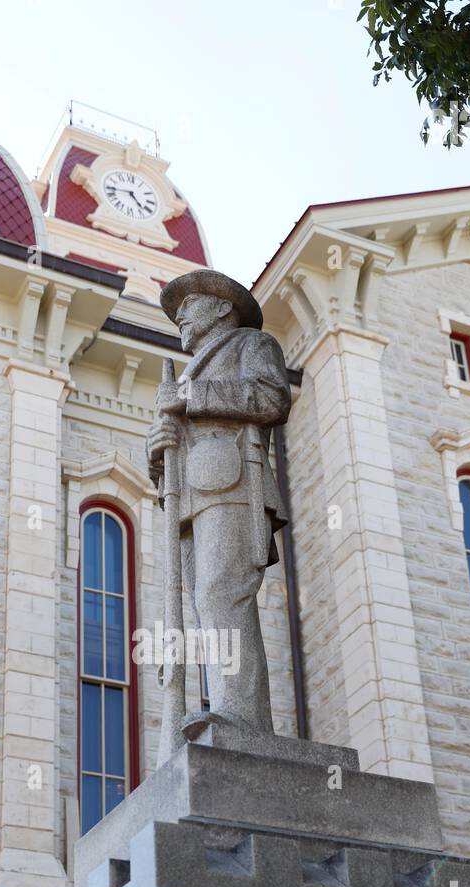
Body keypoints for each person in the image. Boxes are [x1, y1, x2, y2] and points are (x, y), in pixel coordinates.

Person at [146, 270, 291, 735]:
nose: (181, 316)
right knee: (204, 603)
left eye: (189, 304)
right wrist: (158, 447)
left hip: (233, 482)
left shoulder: (251, 344)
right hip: (191, 496)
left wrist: (191, 398)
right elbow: (173, 448)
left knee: (221, 594)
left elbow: (271, 397)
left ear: (222, 307)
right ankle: (228, 710)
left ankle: (240, 718)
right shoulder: (188, 373)